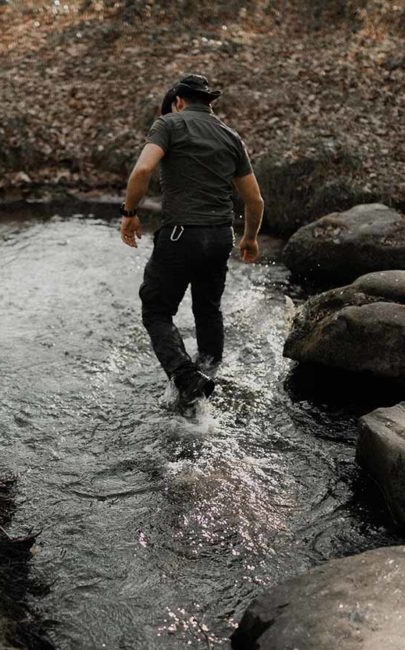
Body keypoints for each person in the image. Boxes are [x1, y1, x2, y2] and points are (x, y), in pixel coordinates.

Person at [119, 74, 265, 405]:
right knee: (208, 308)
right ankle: (208, 381)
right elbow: (254, 201)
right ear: (209, 102)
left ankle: (185, 378)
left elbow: (142, 171)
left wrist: (129, 212)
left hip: (181, 233)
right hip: (220, 237)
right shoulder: (231, 137)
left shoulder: (169, 124)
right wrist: (250, 239)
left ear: (179, 101)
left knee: (156, 310)